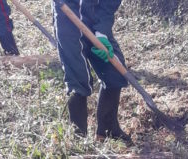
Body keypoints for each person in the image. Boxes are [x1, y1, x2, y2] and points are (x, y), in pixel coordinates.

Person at [53, 0, 130, 141]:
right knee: (78, 79)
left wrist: (102, 31)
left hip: (94, 14)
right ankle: (79, 139)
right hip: (67, 17)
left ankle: (107, 131)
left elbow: (110, 4)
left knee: (115, 72)